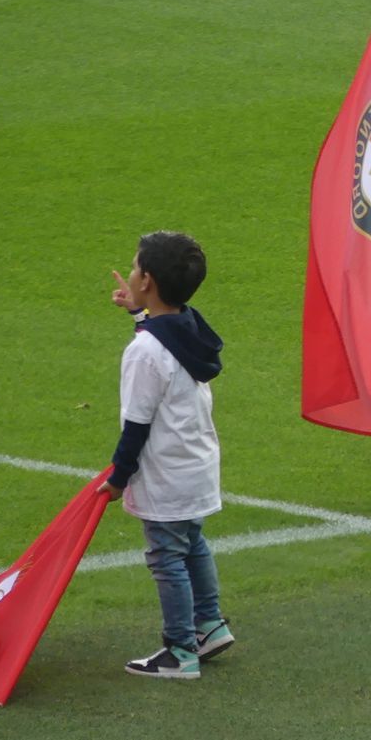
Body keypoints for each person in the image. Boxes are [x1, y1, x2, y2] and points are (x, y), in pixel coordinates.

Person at [95, 231, 233, 678]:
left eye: (135, 267)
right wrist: (138, 313)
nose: (130, 272)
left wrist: (119, 477)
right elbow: (163, 337)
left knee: (166, 556)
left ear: (147, 280)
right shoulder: (191, 326)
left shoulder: (144, 352)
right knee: (192, 544)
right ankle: (209, 626)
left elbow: (137, 424)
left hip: (167, 474)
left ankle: (180, 651)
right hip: (196, 464)